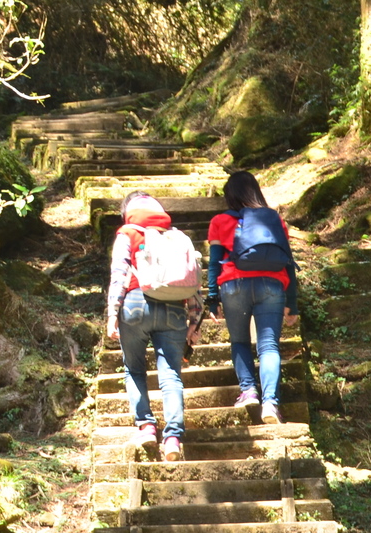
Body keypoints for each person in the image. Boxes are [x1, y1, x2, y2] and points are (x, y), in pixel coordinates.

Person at [106, 191, 204, 461]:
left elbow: (119, 274)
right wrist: (194, 320)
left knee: (134, 368)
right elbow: (193, 281)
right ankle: (173, 438)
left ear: (128, 212)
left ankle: (147, 427)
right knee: (171, 373)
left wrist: (112, 314)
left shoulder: (127, 233)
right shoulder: (176, 236)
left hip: (135, 304)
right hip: (174, 308)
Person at [206, 170, 299, 424]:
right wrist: (292, 303)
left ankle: (248, 391)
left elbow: (214, 263)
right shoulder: (274, 219)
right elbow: (288, 262)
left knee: (239, 341)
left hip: (234, 284)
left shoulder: (220, 221)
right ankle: (270, 403)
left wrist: (212, 299)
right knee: (268, 346)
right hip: (272, 284)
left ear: (230, 196)